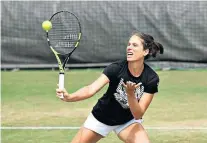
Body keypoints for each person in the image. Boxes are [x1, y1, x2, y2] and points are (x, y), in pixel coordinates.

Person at [56, 31, 164, 143]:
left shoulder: (151, 78)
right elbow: (91, 89)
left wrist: (130, 94)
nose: (129, 48)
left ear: (145, 51)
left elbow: (138, 114)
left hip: (127, 121)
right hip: (102, 117)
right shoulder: (116, 69)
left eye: (135, 45)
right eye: (129, 44)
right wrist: (70, 97)